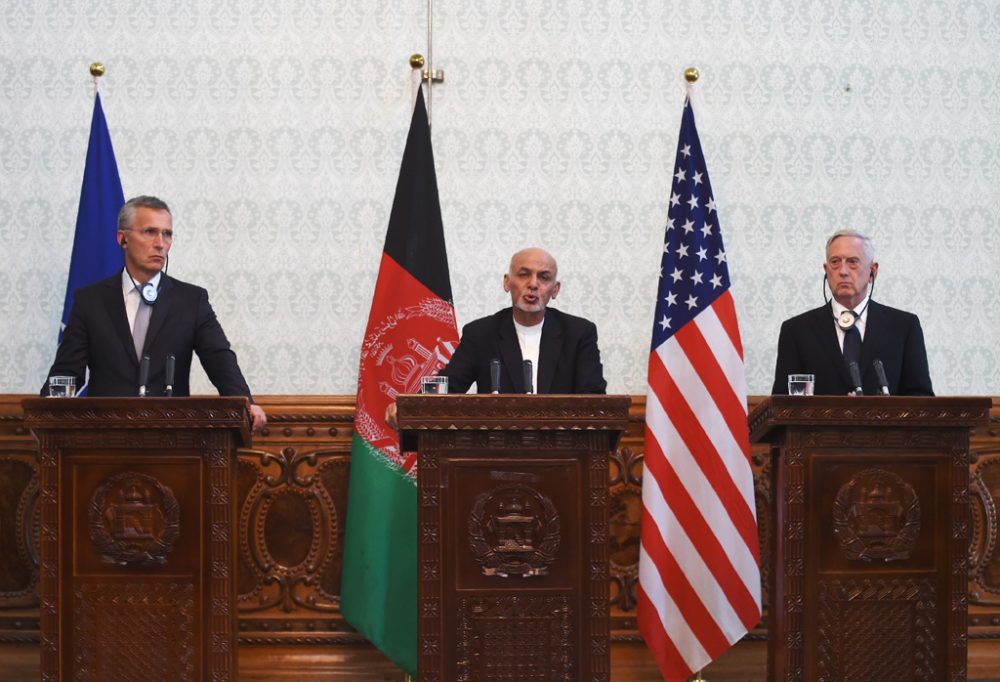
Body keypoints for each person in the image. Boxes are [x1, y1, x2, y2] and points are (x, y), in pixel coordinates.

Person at [42, 195, 267, 431]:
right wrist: (49, 410)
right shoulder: (91, 301)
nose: (160, 243)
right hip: (105, 436)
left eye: (167, 234)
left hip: (172, 437)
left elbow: (219, 359)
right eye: (150, 232)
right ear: (123, 238)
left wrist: (245, 402)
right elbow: (68, 372)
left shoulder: (191, 300)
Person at [384, 247, 606, 428]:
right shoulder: (481, 333)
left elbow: (594, 397)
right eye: (524, 274)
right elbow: (450, 383)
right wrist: (412, 403)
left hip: (564, 454)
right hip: (496, 452)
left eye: (544, 277)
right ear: (507, 283)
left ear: (555, 290)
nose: (533, 284)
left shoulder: (579, 333)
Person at [771, 229, 933, 396]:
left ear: (873, 272)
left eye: (852, 262)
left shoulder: (903, 327)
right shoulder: (797, 331)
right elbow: (783, 404)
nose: (843, 271)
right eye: (835, 262)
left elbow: (921, 398)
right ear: (826, 270)